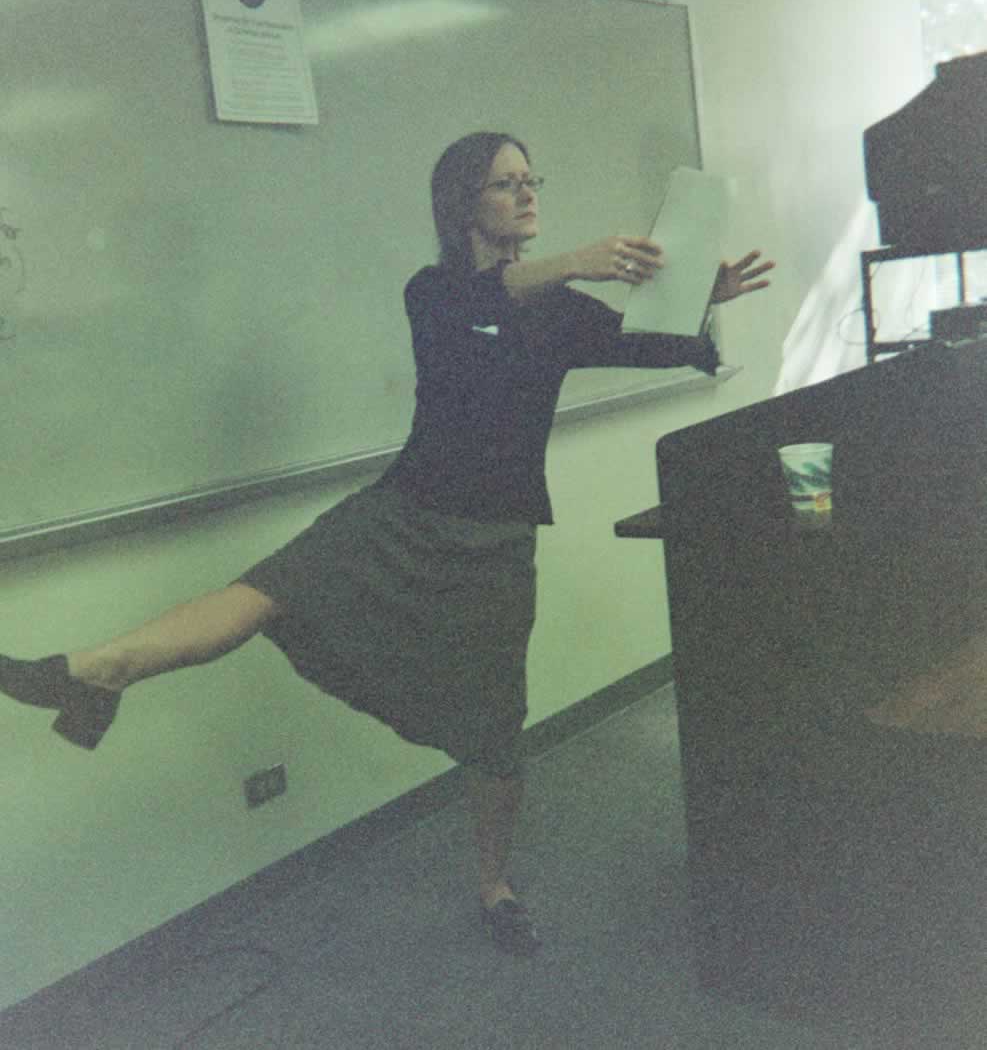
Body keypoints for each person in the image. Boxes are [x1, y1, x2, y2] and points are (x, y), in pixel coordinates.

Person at [0, 132, 772, 956]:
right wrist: (575, 259)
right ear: (462, 204)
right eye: (505, 184)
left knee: (492, 732)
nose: (526, 195)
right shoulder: (433, 292)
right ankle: (98, 670)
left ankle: (494, 885)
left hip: (493, 542)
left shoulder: (558, 310)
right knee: (267, 589)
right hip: (400, 513)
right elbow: (484, 302)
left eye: (530, 180)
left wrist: (702, 294)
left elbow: (649, 345)